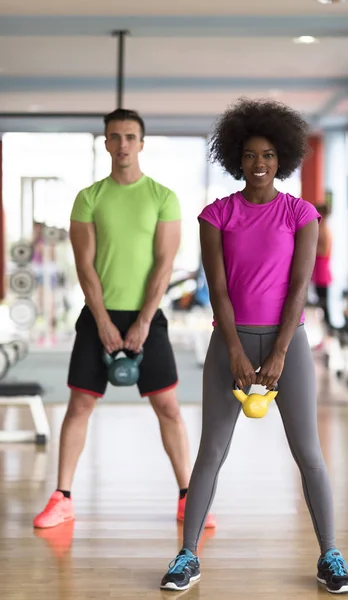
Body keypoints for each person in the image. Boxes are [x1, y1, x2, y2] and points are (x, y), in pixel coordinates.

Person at [160, 99, 348, 594]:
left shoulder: (301, 214)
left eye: (268, 154)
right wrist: (236, 351)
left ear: (282, 158)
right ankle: (187, 556)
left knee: (308, 452)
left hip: (287, 342)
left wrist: (279, 353)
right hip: (231, 341)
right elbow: (219, 290)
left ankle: (331, 555)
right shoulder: (216, 215)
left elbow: (298, 289)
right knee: (211, 451)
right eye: (250, 155)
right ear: (236, 159)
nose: (260, 164)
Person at [33, 108, 216, 531]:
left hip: (147, 316)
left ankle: (188, 496)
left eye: (130, 137)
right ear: (106, 143)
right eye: (114, 137)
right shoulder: (89, 197)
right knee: (79, 405)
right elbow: (85, 265)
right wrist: (101, 320)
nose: (122, 145)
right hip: (99, 313)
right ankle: (62, 497)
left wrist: (143, 321)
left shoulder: (162, 196)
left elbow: (165, 265)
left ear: (142, 143)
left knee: (168, 406)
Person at [312, 204, 333, 334]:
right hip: (320, 268)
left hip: (322, 268)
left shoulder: (323, 229)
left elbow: (323, 250)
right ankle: (326, 328)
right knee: (322, 300)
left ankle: (327, 329)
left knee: (323, 301)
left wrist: (310, 249)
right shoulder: (322, 228)